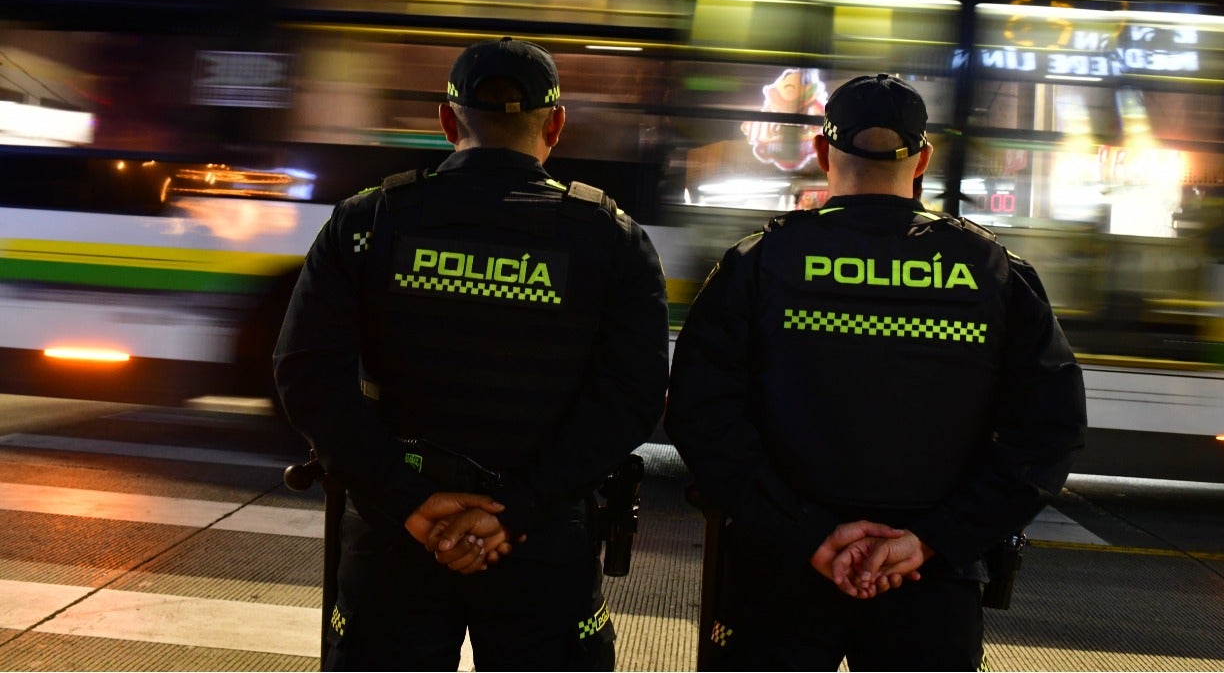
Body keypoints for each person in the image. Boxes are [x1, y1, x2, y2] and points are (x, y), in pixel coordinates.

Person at [663, 73, 1087, 671]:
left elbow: (698, 412)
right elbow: (1052, 428)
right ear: (922, 160)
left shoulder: (758, 263)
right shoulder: (995, 272)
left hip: (777, 573)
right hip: (930, 583)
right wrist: (932, 540)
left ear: (819, 153)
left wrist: (805, 532)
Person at [273, 37, 670, 671]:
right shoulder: (611, 238)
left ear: (447, 120)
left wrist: (408, 503)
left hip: (394, 541)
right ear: (556, 125)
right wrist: (517, 512)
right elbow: (633, 397)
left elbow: (307, 377)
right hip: (542, 545)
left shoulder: (366, 224)